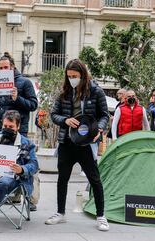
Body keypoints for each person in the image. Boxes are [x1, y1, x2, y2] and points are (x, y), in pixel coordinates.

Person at [46, 59, 110, 231]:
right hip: (66, 141)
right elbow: (54, 115)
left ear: (83, 75)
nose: (72, 79)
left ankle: (101, 216)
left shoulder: (96, 91)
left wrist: (101, 128)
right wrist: (65, 120)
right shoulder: (64, 92)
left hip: (87, 143)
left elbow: (104, 115)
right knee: (62, 179)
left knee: (94, 179)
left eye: (75, 76)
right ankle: (60, 213)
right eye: (69, 76)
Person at [0, 52, 38, 136]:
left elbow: (33, 105)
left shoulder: (25, 82)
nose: (3, 70)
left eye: (6, 67)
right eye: (1, 68)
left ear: (12, 67)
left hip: (17, 130)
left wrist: (17, 98)